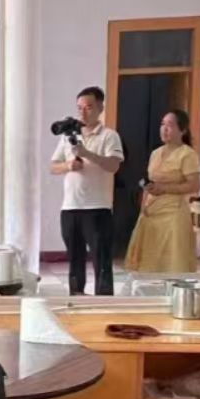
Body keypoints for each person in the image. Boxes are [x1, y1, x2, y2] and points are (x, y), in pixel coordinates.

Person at [50, 85, 124, 295]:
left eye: (89, 107)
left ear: (100, 108)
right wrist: (68, 165)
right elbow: (53, 166)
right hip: (70, 207)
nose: (83, 112)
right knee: (74, 260)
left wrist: (86, 153)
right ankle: (76, 297)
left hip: (97, 208)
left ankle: (103, 302)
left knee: (101, 260)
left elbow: (113, 166)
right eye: (79, 108)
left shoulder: (109, 136)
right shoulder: (67, 136)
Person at [124, 110, 200, 274]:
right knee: (149, 262)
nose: (164, 129)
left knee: (172, 262)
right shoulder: (155, 153)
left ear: (182, 130)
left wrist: (164, 188)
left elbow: (194, 186)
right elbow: (151, 181)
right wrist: (144, 204)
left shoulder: (187, 154)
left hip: (173, 213)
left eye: (170, 125)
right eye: (162, 124)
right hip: (151, 212)